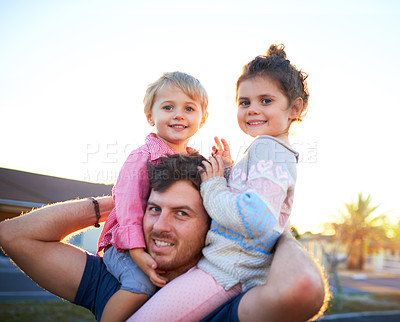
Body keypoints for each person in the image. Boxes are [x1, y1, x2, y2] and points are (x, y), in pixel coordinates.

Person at [0, 153, 326, 321]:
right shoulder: (117, 279)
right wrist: (126, 202)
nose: (161, 226)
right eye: (154, 209)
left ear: (214, 224)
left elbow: (303, 289)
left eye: (182, 213)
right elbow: (14, 235)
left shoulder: (227, 299)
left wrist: (270, 228)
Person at [128, 43, 311, 321]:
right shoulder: (274, 152)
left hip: (226, 271)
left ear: (294, 107)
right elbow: (252, 198)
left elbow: (255, 217)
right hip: (228, 265)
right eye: (244, 102)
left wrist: (213, 185)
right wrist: (227, 170)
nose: (252, 109)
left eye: (266, 101)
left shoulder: (266, 147)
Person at [97, 71, 208, 321]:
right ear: (150, 116)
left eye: (189, 108)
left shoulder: (195, 162)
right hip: (125, 247)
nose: (179, 114)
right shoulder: (142, 157)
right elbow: (128, 210)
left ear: (203, 118)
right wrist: (137, 252)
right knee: (141, 287)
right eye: (168, 107)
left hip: (161, 245)